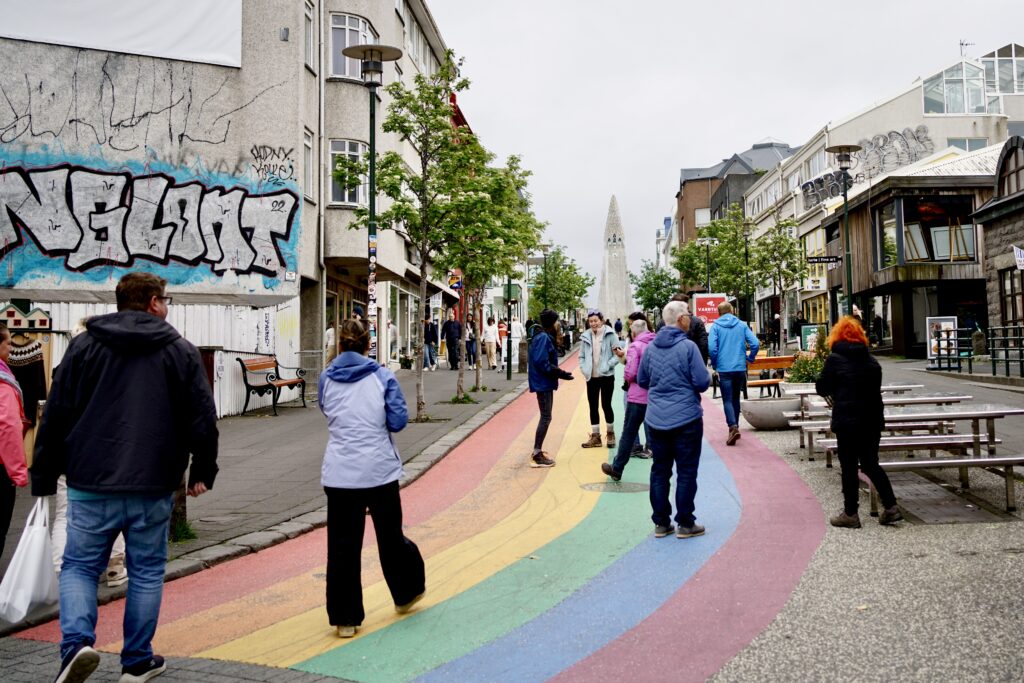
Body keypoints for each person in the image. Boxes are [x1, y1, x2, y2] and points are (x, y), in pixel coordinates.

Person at [31, 271, 218, 683]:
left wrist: (43, 475)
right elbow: (202, 416)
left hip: (89, 482)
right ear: (152, 302)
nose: (167, 307)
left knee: (80, 566)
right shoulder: (180, 352)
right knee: (147, 570)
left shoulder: (81, 348)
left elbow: (56, 415)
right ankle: (136, 661)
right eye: (165, 299)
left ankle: (76, 643)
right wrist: (203, 469)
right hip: (153, 482)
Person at [319, 320, 425, 638]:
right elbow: (397, 421)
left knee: (342, 547)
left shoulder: (326, 379)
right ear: (368, 346)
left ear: (340, 346)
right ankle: (406, 593)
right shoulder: (382, 377)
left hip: (340, 474)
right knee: (390, 537)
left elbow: (326, 411)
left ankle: (345, 618)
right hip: (379, 471)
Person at [815, 316, 902, 529]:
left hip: (847, 420)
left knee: (849, 467)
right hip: (871, 420)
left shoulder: (835, 359)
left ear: (836, 335)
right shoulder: (873, 362)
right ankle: (891, 507)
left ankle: (850, 513)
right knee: (871, 464)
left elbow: (822, 388)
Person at [638, 301, 710, 538]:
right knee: (686, 471)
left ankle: (661, 523)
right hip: (686, 418)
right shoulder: (688, 348)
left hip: (656, 418)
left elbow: (643, 380)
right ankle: (686, 523)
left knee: (660, 470)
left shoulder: (650, 349)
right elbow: (702, 382)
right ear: (681, 320)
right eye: (688, 315)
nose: (691, 318)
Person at [602, 318, 655, 481]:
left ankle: (617, 468)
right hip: (654, 395)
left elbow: (630, 373)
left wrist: (627, 377)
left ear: (633, 332)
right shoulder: (655, 344)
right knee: (655, 431)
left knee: (629, 433)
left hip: (637, 397)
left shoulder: (635, 346)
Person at [707, 301, 760, 446]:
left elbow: (712, 348)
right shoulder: (741, 325)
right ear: (732, 311)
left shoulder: (716, 327)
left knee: (727, 399)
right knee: (736, 397)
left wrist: (716, 363)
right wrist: (750, 358)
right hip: (739, 367)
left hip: (724, 369)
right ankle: (735, 426)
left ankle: (732, 426)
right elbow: (755, 343)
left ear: (719, 313)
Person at [527, 309, 574, 467]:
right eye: (556, 321)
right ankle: (537, 453)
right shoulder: (543, 338)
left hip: (543, 381)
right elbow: (542, 362)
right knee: (546, 417)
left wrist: (559, 373)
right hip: (543, 382)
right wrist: (559, 373)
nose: (558, 324)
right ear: (551, 323)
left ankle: (537, 451)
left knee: (546, 416)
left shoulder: (541, 336)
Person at [0, 323, 28, 560]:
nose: (11, 348)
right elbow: (8, 427)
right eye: (8, 343)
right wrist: (18, 472)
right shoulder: (3, 382)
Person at [579, 310, 622, 449]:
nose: (593, 323)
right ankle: (595, 436)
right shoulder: (585, 336)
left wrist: (608, 365)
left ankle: (610, 433)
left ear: (601, 321)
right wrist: (584, 369)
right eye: (591, 321)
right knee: (593, 406)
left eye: (596, 320)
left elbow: (618, 355)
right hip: (591, 376)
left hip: (607, 376)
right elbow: (581, 356)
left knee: (606, 405)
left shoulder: (610, 334)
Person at [669, 293, 709, 365]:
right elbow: (703, 345)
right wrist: (702, 365)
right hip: (694, 363)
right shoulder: (697, 322)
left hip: (671, 366)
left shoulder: (664, 323)